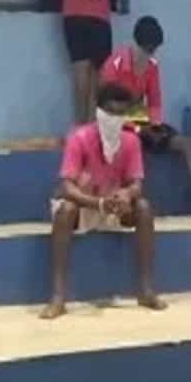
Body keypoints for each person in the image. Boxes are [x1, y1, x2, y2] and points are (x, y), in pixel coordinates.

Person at [44, 82, 164, 320]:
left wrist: (126, 194)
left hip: (113, 206)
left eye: (120, 113)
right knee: (65, 210)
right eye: (110, 112)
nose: (114, 118)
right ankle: (58, 297)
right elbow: (67, 187)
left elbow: (136, 184)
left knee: (143, 207)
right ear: (98, 111)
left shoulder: (131, 141)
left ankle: (146, 290)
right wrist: (96, 203)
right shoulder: (79, 138)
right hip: (84, 203)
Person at [101, 16, 191, 221]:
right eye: (146, 50)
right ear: (136, 45)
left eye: (153, 50)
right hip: (116, 125)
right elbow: (107, 109)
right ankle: (134, 209)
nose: (149, 55)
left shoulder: (152, 66)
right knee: (134, 145)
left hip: (141, 121)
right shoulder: (114, 65)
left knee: (188, 144)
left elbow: (154, 103)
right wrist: (136, 128)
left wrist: (154, 124)